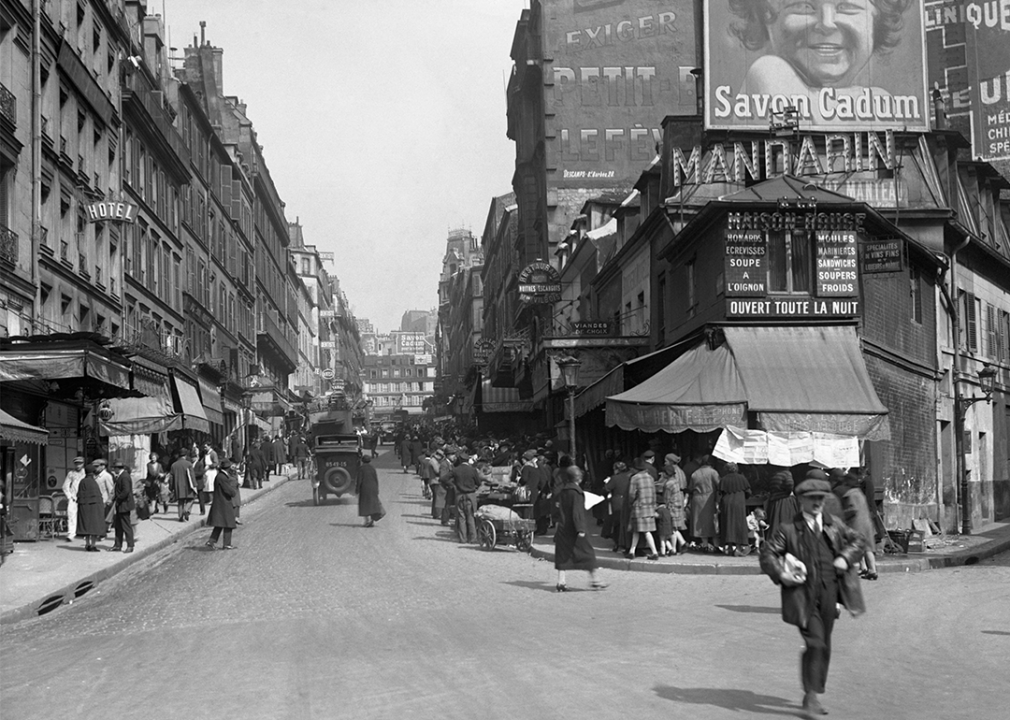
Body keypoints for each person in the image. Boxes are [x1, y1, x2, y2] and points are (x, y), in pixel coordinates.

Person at [760, 472, 866, 718]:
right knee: (815, 642)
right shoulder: (788, 530)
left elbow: (858, 541)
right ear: (801, 501)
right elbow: (767, 555)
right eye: (811, 498)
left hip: (830, 592)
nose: (817, 502)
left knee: (824, 644)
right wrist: (781, 574)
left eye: (820, 497)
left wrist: (844, 557)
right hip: (802, 595)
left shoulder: (834, 524)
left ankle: (814, 691)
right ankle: (810, 697)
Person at [727, 0, 914, 126]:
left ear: (877, 20)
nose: (827, 24)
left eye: (846, 7)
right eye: (804, 6)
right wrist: (878, 102)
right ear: (767, 18)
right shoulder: (768, 72)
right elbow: (804, 131)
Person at [553, 466, 608, 592]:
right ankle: (595, 580)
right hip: (574, 529)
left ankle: (561, 581)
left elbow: (557, 509)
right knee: (588, 554)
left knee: (563, 555)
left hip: (563, 527)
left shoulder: (563, 492)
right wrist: (581, 529)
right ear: (579, 478)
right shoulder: (576, 493)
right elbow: (577, 512)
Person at [833, 470, 878, 580]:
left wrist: (843, 516)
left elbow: (852, 510)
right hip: (867, 523)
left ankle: (864, 567)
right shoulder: (859, 492)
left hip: (857, 523)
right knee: (868, 548)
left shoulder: (849, 495)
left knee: (858, 544)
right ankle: (871, 569)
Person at [627, 458, 660, 560]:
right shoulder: (650, 478)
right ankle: (631, 551)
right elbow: (654, 493)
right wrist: (654, 505)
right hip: (649, 506)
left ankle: (654, 553)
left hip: (639, 507)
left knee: (643, 531)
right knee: (639, 530)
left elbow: (631, 494)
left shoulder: (635, 478)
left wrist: (631, 503)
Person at [718, 462, 752, 556]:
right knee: (739, 524)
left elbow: (720, 493)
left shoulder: (724, 479)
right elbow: (748, 492)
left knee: (728, 524)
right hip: (739, 504)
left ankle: (729, 547)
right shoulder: (742, 478)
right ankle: (739, 547)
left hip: (727, 504)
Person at [204, 459, 238, 550]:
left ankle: (211, 541)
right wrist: (233, 492)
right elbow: (228, 490)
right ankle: (227, 543)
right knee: (228, 523)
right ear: (228, 468)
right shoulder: (223, 477)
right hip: (224, 503)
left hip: (219, 503)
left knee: (219, 524)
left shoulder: (220, 476)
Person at [688, 455, 720, 552]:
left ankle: (705, 544)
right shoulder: (713, 472)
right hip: (709, 499)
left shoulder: (695, 473)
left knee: (700, 523)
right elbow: (719, 485)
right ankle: (716, 545)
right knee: (712, 522)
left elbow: (690, 488)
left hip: (697, 499)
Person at [451, 451, 482, 544]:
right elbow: (479, 483)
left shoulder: (455, 470)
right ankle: (473, 538)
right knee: (471, 517)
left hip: (459, 495)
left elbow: (443, 479)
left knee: (461, 517)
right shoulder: (472, 470)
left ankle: (463, 538)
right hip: (470, 496)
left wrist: (453, 486)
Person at [661, 454, 688, 554]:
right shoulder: (681, 471)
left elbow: (666, 491)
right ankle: (678, 546)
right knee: (676, 524)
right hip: (679, 497)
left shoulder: (671, 474)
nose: (664, 462)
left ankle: (676, 546)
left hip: (673, 499)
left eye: (666, 460)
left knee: (673, 525)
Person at [603, 460, 632, 553]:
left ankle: (618, 543)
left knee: (617, 524)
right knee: (627, 522)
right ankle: (627, 543)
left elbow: (606, 489)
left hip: (617, 502)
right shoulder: (629, 477)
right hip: (627, 501)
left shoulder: (614, 478)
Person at [75, 464, 105, 552]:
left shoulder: (82, 482)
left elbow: (79, 495)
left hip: (84, 507)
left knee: (86, 526)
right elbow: (98, 497)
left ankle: (87, 544)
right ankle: (93, 545)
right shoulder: (93, 482)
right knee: (94, 526)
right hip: (93, 508)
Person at [109, 460, 135, 553]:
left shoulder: (124, 476)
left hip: (124, 504)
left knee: (126, 526)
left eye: (114, 468)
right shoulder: (122, 476)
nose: (113, 470)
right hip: (121, 505)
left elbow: (126, 491)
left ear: (117, 468)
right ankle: (117, 545)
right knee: (118, 526)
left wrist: (118, 499)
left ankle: (130, 545)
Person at [355, 454, 384, 527]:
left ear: (362, 461)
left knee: (364, 504)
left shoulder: (361, 468)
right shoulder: (372, 468)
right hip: (373, 488)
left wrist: (357, 489)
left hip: (365, 488)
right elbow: (375, 479)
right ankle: (372, 520)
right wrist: (377, 489)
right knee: (372, 504)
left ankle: (366, 520)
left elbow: (359, 480)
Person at [62, 456, 86, 542]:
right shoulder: (71, 473)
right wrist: (69, 496)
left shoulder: (86, 473)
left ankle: (84, 533)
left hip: (84, 497)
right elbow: (65, 486)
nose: (78, 465)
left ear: (83, 464)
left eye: (80, 463)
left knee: (84, 515)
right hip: (74, 497)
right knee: (71, 515)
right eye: (76, 463)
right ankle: (71, 533)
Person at [170, 451, 197, 522]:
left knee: (180, 501)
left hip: (178, 485)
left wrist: (171, 487)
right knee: (191, 499)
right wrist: (195, 485)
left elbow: (171, 477)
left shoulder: (173, 465)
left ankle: (181, 517)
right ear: (185, 456)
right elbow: (192, 476)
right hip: (188, 485)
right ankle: (186, 510)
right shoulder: (188, 464)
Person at [93, 458, 115, 537]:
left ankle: (102, 534)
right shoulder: (95, 476)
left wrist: (109, 500)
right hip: (96, 500)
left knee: (102, 518)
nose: (95, 468)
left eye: (97, 466)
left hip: (104, 500)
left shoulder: (106, 476)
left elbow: (111, 489)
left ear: (103, 466)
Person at [430, 448, 448, 520]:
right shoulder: (433, 461)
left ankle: (435, 513)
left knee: (435, 497)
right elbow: (437, 471)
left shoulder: (434, 460)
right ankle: (437, 514)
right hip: (435, 480)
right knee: (438, 498)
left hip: (434, 480)